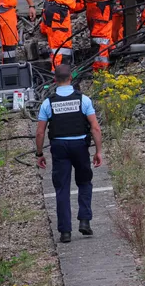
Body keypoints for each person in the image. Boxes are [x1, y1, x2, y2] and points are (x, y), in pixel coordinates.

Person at [35, 64, 103, 243]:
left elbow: (40, 132)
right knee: (84, 182)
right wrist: (98, 151)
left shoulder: (48, 103)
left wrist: (39, 153)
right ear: (71, 79)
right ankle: (85, 221)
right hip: (80, 145)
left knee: (62, 188)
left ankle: (65, 232)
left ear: (55, 80)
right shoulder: (84, 100)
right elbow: (95, 128)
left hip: (59, 147)